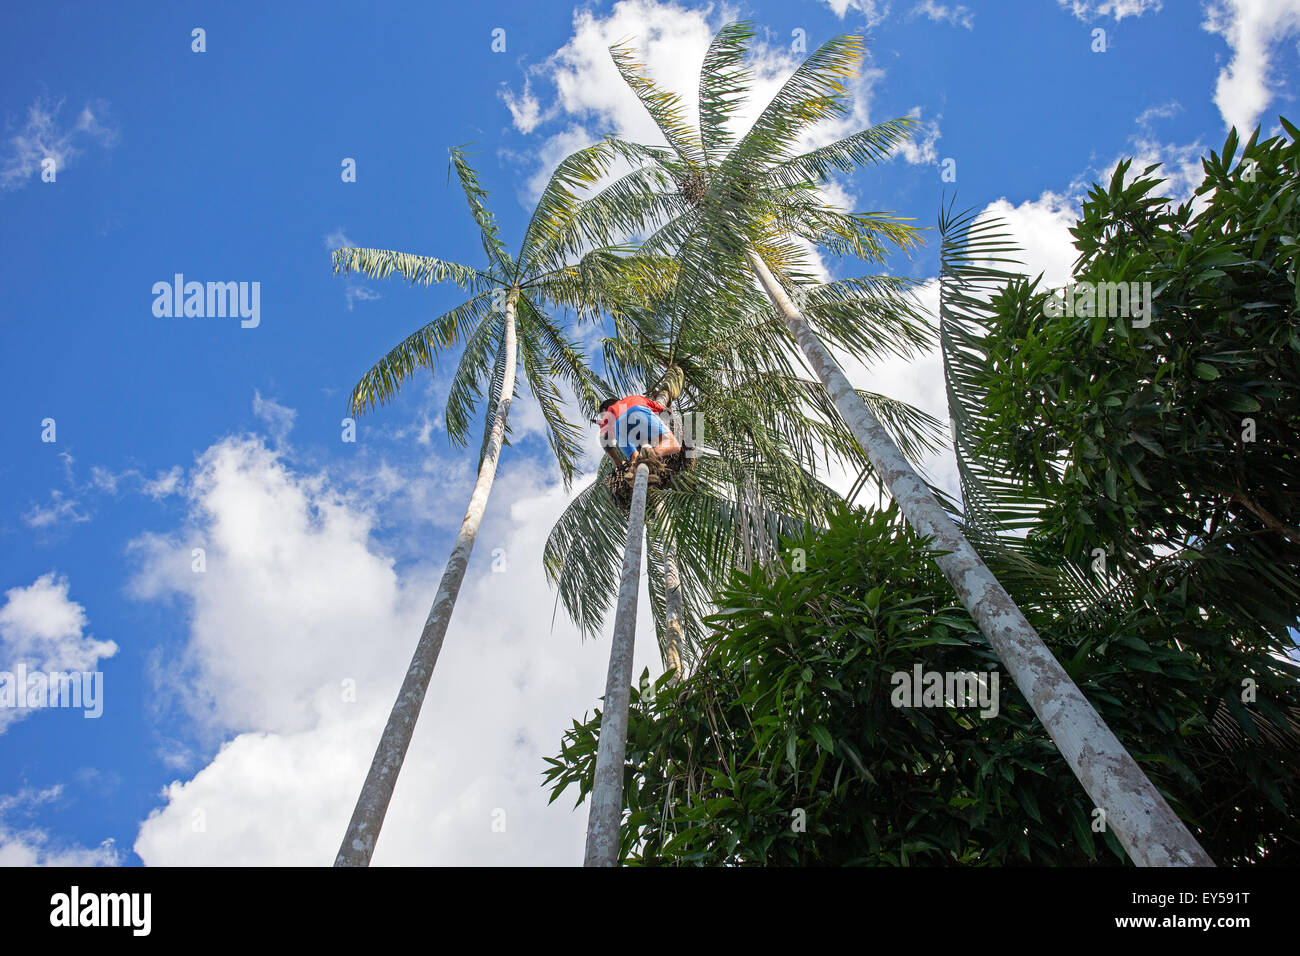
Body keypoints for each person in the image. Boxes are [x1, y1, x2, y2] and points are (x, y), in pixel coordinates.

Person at [593, 394, 682, 467]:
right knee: (671, 443)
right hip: (638, 410)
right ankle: (652, 455)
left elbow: (604, 439)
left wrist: (618, 462)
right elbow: (661, 408)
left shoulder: (609, 413)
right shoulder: (635, 398)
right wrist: (669, 409)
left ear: (605, 410)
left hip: (619, 425)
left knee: (635, 460)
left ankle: (638, 465)